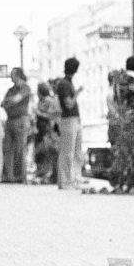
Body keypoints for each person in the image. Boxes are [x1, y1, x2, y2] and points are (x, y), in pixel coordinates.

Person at [56, 57, 84, 189]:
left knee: (77, 151)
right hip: (69, 119)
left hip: (74, 119)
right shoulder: (64, 84)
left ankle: (75, 178)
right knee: (68, 151)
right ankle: (66, 181)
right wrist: (78, 92)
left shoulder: (67, 83)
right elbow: (68, 104)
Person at [1, 67, 33, 183]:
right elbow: (3, 103)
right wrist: (9, 101)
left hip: (21, 120)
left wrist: (9, 102)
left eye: (12, 75)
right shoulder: (11, 89)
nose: (11, 77)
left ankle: (20, 176)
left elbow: (15, 100)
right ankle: (8, 176)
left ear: (18, 75)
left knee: (20, 148)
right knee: (7, 148)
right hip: (10, 119)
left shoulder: (25, 88)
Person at [33, 82, 60, 183]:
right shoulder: (41, 101)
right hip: (40, 130)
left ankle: (50, 174)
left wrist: (39, 113)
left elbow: (52, 116)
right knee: (41, 153)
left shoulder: (49, 100)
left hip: (47, 130)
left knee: (48, 153)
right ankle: (44, 174)